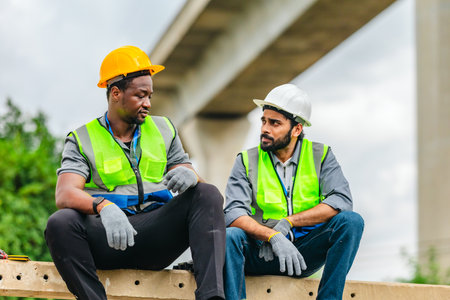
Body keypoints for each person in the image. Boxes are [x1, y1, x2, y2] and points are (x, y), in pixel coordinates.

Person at [45, 46, 225, 300]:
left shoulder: (164, 129)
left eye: (150, 95)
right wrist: (103, 207)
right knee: (60, 224)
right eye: (141, 95)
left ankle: (211, 297)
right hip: (109, 239)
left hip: (157, 235)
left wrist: (191, 175)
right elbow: (65, 193)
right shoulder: (82, 138)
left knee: (207, 194)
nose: (148, 103)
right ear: (116, 93)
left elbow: (197, 189)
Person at [223, 84, 364, 300]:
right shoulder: (246, 161)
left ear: (297, 129)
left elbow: (342, 200)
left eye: (275, 123)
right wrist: (271, 236)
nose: (264, 129)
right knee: (231, 236)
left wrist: (290, 222)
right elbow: (233, 213)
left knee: (351, 221)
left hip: (302, 255)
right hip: (260, 252)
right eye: (263, 121)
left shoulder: (321, 155)